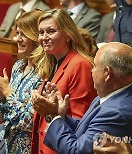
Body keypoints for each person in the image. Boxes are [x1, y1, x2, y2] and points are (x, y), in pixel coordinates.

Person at [40, 42, 132, 154]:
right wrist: (60, 114)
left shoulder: (116, 113)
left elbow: (76, 151)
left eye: (95, 66)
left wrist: (53, 117)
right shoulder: (112, 96)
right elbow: (84, 130)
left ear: (107, 73)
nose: (91, 71)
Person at [30, 9, 97, 154]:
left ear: (68, 35)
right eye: (41, 32)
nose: (44, 37)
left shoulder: (80, 65)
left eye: (51, 31)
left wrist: (49, 112)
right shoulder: (51, 62)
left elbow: (80, 123)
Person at [0, 10, 44, 153]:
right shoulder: (19, 66)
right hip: (7, 142)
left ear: (37, 37)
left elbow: (30, 122)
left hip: (28, 148)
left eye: (23, 34)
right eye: (17, 33)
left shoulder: (45, 73)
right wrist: (1, 96)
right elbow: (4, 114)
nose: (16, 39)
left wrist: (7, 91)